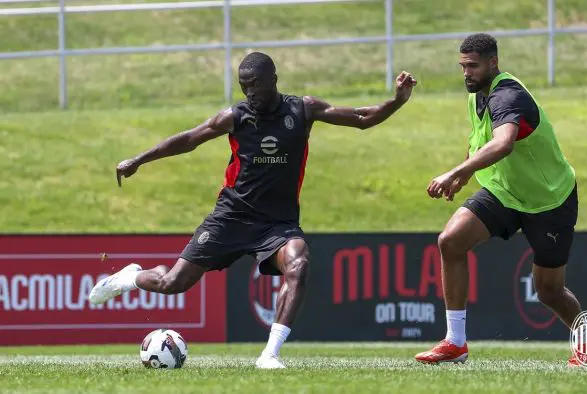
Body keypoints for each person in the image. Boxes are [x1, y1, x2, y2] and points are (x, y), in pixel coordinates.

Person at [90, 51, 417, 369]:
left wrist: (397, 101)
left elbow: (362, 118)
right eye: (244, 86)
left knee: (299, 263)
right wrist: (139, 159)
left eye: (255, 85)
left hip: (278, 223)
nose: (250, 93)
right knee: (173, 283)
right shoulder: (235, 117)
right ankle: (130, 277)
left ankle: (270, 354)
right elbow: (190, 139)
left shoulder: (302, 109)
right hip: (230, 217)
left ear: (273, 80)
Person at [414, 33, 587, 366]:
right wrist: (465, 174)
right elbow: (481, 141)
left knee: (548, 290)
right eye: (463, 66)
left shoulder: (508, 96)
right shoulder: (477, 94)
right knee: (450, 241)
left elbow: (503, 143)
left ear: (493, 63)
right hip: (504, 192)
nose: (467, 72)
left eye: (473, 66)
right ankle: (455, 342)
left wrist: (452, 172)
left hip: (548, 200)